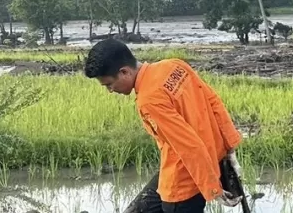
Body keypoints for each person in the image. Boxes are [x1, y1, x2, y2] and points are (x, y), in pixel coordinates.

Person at [84, 39, 243, 212]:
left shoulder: (149, 100)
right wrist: (230, 149)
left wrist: (213, 188)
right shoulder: (174, 65)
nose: (110, 90)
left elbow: (188, 144)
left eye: (108, 84)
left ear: (124, 72)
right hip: (193, 166)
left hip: (183, 183)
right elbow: (214, 103)